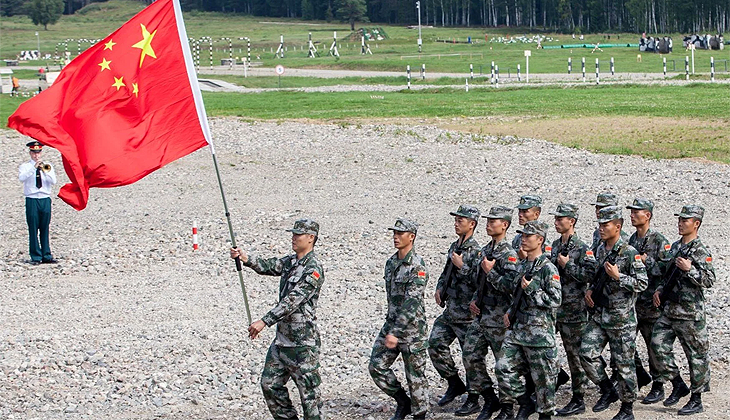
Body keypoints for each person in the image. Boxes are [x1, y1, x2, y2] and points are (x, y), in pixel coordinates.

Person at [229, 219, 325, 420]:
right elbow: (269, 265)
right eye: (293, 233)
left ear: (311, 238)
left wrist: (264, 321)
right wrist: (245, 258)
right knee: (270, 385)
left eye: (298, 234)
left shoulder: (313, 269)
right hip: (282, 341)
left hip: (302, 344)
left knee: (309, 397)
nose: (294, 237)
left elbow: (293, 301)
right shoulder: (291, 262)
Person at [580, 206, 648, 420]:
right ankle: (607, 388)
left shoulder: (629, 253)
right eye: (599, 225)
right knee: (586, 353)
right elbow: (596, 276)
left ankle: (627, 408)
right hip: (600, 316)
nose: (601, 228)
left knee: (624, 363)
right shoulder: (600, 249)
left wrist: (620, 277)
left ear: (617, 227)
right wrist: (590, 290)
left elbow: (642, 283)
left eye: (605, 225)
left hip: (621, 319)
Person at [651, 205, 715, 415]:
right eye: (679, 219)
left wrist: (691, 270)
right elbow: (666, 275)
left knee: (696, 356)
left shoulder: (700, 250)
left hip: (690, 313)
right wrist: (660, 290)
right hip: (670, 310)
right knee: (657, 345)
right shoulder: (676, 247)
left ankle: (696, 398)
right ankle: (678, 383)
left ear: (696, 224)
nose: (680, 223)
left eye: (685, 220)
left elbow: (709, 280)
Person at [457, 206, 519, 420]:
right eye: (488, 221)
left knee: (503, 365)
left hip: (499, 318)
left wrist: (491, 272)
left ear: (505, 225)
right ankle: (488, 397)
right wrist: (475, 298)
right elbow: (477, 281)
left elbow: (512, 286)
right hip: (482, 317)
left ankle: (508, 407)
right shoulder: (484, 250)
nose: (489, 224)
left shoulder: (509, 254)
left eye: (494, 221)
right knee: (470, 356)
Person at [496, 220, 561, 420]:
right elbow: (515, 294)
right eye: (522, 236)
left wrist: (532, 289)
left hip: (539, 335)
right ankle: (525, 402)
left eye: (528, 237)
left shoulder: (548, 268)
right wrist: (509, 311)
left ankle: (545, 414)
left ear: (540, 240)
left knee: (543, 382)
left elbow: (555, 299)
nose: (523, 240)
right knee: (502, 367)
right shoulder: (523, 264)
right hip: (518, 331)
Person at [369, 218, 429, 420]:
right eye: (394, 233)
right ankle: (403, 402)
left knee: (415, 377)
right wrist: (391, 329)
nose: (395, 237)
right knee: (376, 366)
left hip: (412, 330)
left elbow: (412, 302)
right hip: (391, 324)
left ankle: (420, 414)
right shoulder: (391, 263)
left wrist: (396, 331)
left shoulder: (418, 266)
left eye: (400, 233)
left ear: (411, 237)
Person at [547, 203, 597, 416]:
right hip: (556, 309)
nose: (557, 222)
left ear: (572, 221)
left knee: (575, 356)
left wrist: (568, 266)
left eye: (561, 219)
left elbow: (590, 275)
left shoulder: (583, 248)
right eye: (556, 219)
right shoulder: (555, 245)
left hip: (574, 310)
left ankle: (579, 397)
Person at [430, 205, 481, 408]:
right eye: (456, 220)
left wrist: (463, 266)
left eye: (461, 220)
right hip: (450, 310)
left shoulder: (477, 252)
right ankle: (454, 383)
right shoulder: (454, 246)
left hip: (467, 315)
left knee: (471, 358)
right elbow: (446, 271)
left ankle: (474, 397)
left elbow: (481, 281)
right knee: (435, 344)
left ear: (472, 224)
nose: (456, 223)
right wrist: (439, 288)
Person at [625, 198, 673, 404]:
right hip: (634, 302)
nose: (633, 215)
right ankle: (638, 375)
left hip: (652, 304)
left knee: (653, 347)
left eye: (638, 212)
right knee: (626, 344)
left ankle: (658, 385)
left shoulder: (659, 240)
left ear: (648, 215)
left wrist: (648, 261)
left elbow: (667, 270)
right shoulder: (632, 240)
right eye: (632, 212)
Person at [18, 140, 57, 265]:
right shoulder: (25, 166)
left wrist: (44, 170)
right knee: (33, 227)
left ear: (41, 153)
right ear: (30, 153)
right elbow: (22, 178)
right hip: (32, 198)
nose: (36, 155)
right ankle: (35, 255)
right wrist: (33, 169)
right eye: (34, 153)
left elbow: (53, 181)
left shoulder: (48, 166)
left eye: (38, 152)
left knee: (45, 227)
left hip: (45, 198)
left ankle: (46, 254)